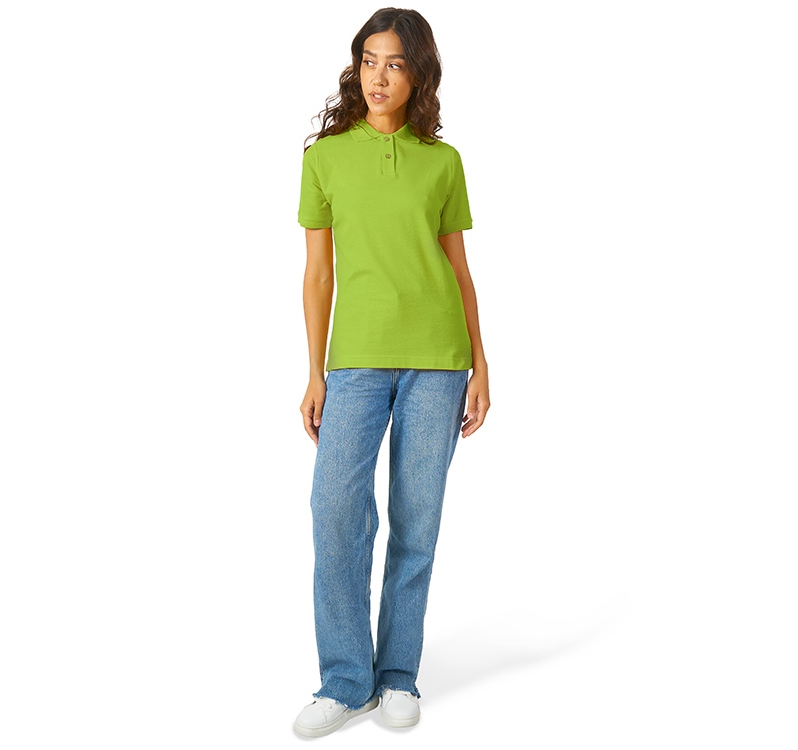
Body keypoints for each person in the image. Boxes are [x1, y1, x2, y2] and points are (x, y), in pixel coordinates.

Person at [292, 7, 490, 739]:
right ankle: (346, 680)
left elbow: (460, 273)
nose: (379, 77)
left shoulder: (444, 161)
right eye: (369, 61)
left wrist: (481, 364)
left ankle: (398, 674)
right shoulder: (325, 158)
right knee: (337, 513)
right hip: (355, 361)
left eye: (396, 64)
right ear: (356, 67)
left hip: (439, 360)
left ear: (418, 75)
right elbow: (318, 275)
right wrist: (315, 372)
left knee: (417, 518)